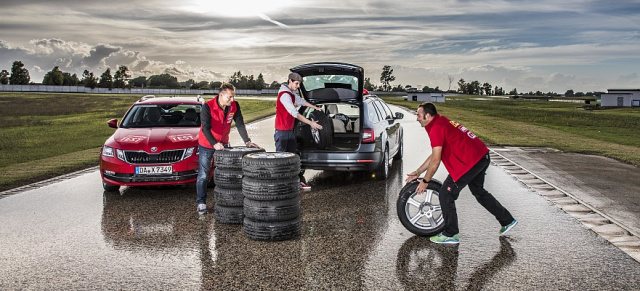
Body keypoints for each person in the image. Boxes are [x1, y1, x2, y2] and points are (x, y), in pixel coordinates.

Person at [406, 102, 517, 244]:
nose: (417, 118)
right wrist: (418, 171)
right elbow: (434, 154)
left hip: (470, 162)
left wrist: (426, 181)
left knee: (446, 194)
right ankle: (507, 220)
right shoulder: (440, 123)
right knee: (479, 192)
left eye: (418, 115)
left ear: (428, 116)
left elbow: (436, 161)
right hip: (481, 157)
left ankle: (451, 234)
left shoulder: (437, 128)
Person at [196, 83, 259, 215]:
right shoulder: (207, 107)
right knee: (203, 174)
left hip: (224, 143)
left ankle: (230, 199)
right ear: (221, 95)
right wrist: (214, 144)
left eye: (233, 97)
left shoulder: (234, 106)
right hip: (207, 144)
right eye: (229, 97)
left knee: (229, 172)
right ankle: (201, 203)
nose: (232, 100)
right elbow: (205, 128)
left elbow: (240, 123)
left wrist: (247, 141)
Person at [275, 72, 323, 190]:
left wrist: (315, 107)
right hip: (281, 132)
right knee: (280, 160)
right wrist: (311, 123)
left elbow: (302, 101)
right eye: (296, 83)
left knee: (294, 158)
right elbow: (295, 113)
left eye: (299, 84)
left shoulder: (290, 93)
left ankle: (297, 182)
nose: (297, 86)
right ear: (290, 81)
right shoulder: (284, 95)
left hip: (289, 131)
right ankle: (278, 185)